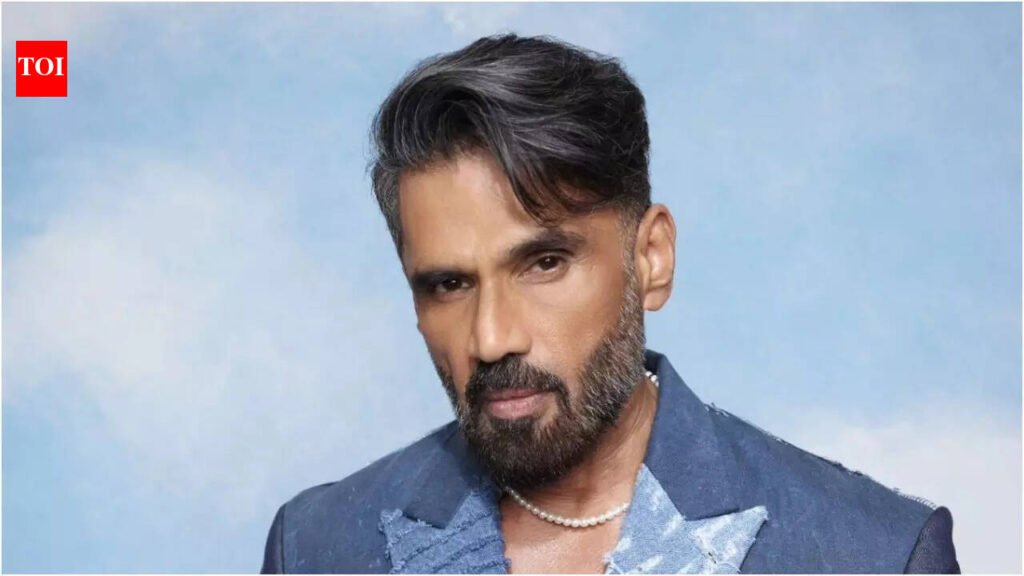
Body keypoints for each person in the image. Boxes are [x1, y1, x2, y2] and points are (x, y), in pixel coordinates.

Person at [260, 33, 960, 574]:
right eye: (449, 284)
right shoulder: (317, 546)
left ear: (650, 258)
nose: (492, 338)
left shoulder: (871, 553)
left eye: (544, 263)